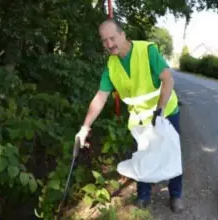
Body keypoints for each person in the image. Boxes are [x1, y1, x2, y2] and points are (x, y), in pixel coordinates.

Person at [74, 18, 184, 213]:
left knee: (172, 153)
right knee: (142, 155)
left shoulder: (147, 51)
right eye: (104, 40)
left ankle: (176, 195)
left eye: (112, 38)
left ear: (123, 34)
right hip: (140, 117)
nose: (109, 44)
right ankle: (143, 196)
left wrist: (159, 111)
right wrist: (85, 127)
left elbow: (168, 80)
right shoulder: (111, 65)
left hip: (165, 110)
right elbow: (100, 97)